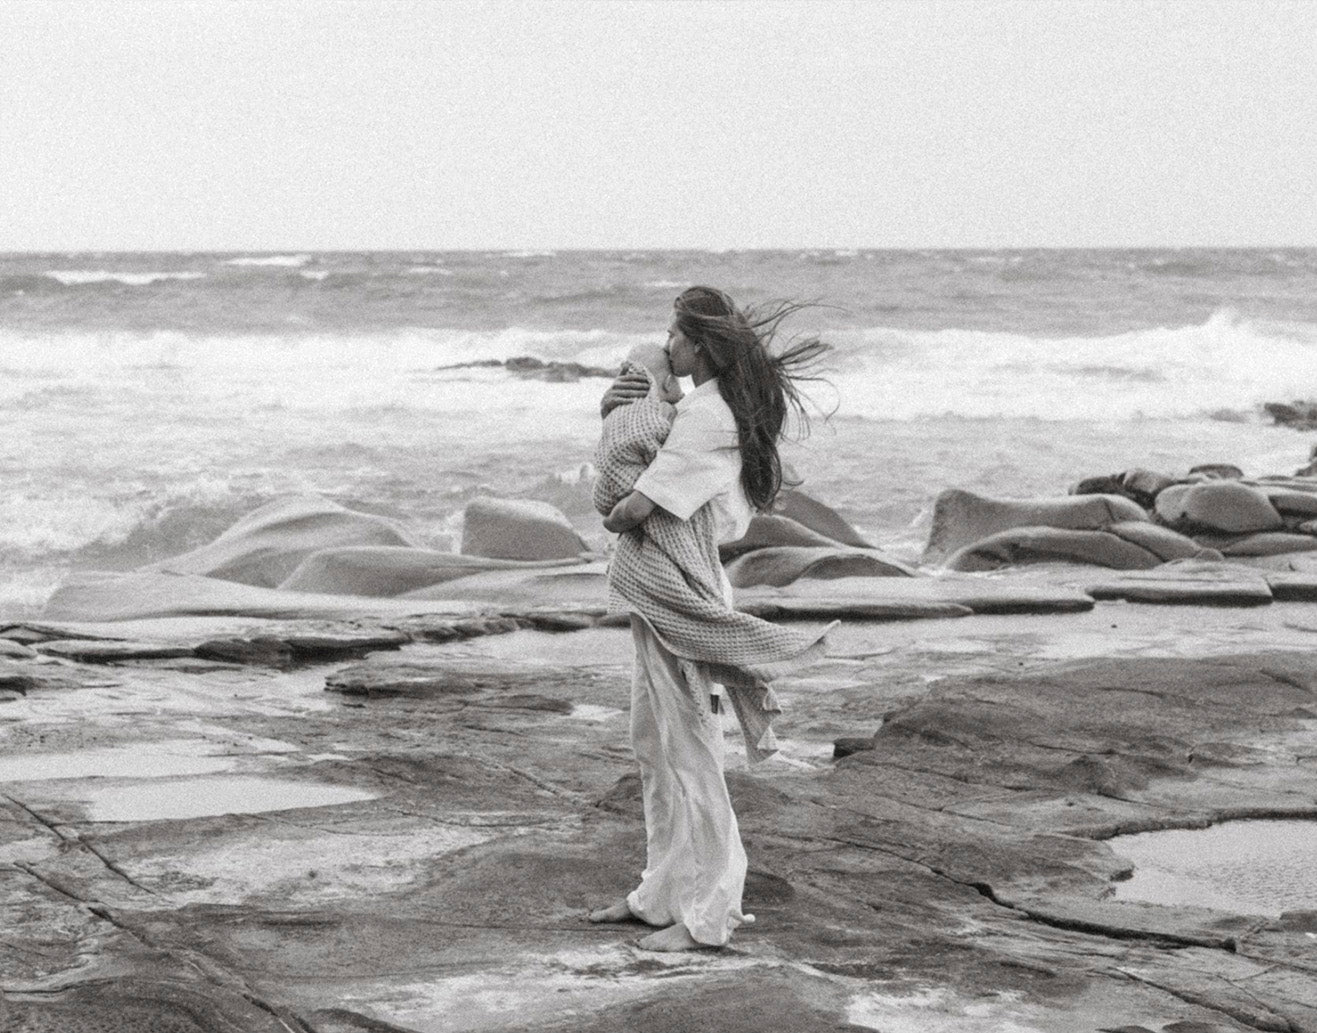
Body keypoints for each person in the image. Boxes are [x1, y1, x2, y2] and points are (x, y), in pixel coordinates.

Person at [588, 286, 833, 952]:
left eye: (673, 336)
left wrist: (617, 487)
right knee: (651, 742)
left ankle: (712, 915)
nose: (666, 344)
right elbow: (638, 433)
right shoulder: (699, 406)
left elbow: (635, 503)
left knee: (690, 751)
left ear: (696, 344)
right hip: (659, 585)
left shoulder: (711, 415)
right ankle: (659, 893)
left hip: (683, 589)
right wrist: (629, 402)